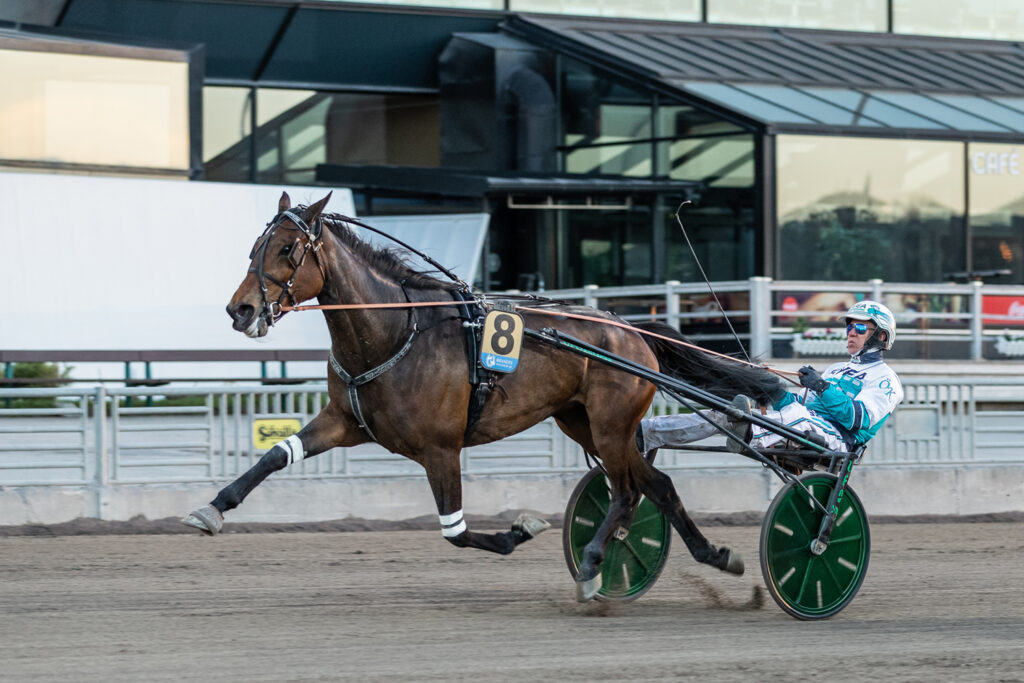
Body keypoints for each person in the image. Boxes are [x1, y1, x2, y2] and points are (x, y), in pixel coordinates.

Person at [636, 300, 904, 457]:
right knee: (724, 413)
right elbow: (799, 404)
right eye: (849, 326)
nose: (851, 332)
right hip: (805, 423)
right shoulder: (836, 368)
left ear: (881, 336)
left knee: (791, 416)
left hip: (836, 439)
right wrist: (767, 387)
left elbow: (858, 419)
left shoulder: (886, 380)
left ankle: (749, 430)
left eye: (860, 327)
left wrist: (821, 386)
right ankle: (644, 433)